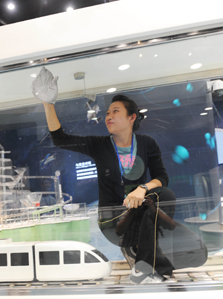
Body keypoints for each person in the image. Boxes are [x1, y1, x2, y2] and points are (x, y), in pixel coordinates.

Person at [32, 67, 179, 284]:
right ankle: (149, 267)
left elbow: (161, 178)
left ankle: (145, 267)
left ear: (132, 117)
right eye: (108, 113)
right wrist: (48, 103)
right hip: (112, 218)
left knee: (164, 194)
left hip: (139, 211)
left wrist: (143, 188)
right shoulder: (99, 145)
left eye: (115, 112)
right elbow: (60, 139)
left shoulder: (147, 144)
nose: (108, 116)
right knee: (149, 214)